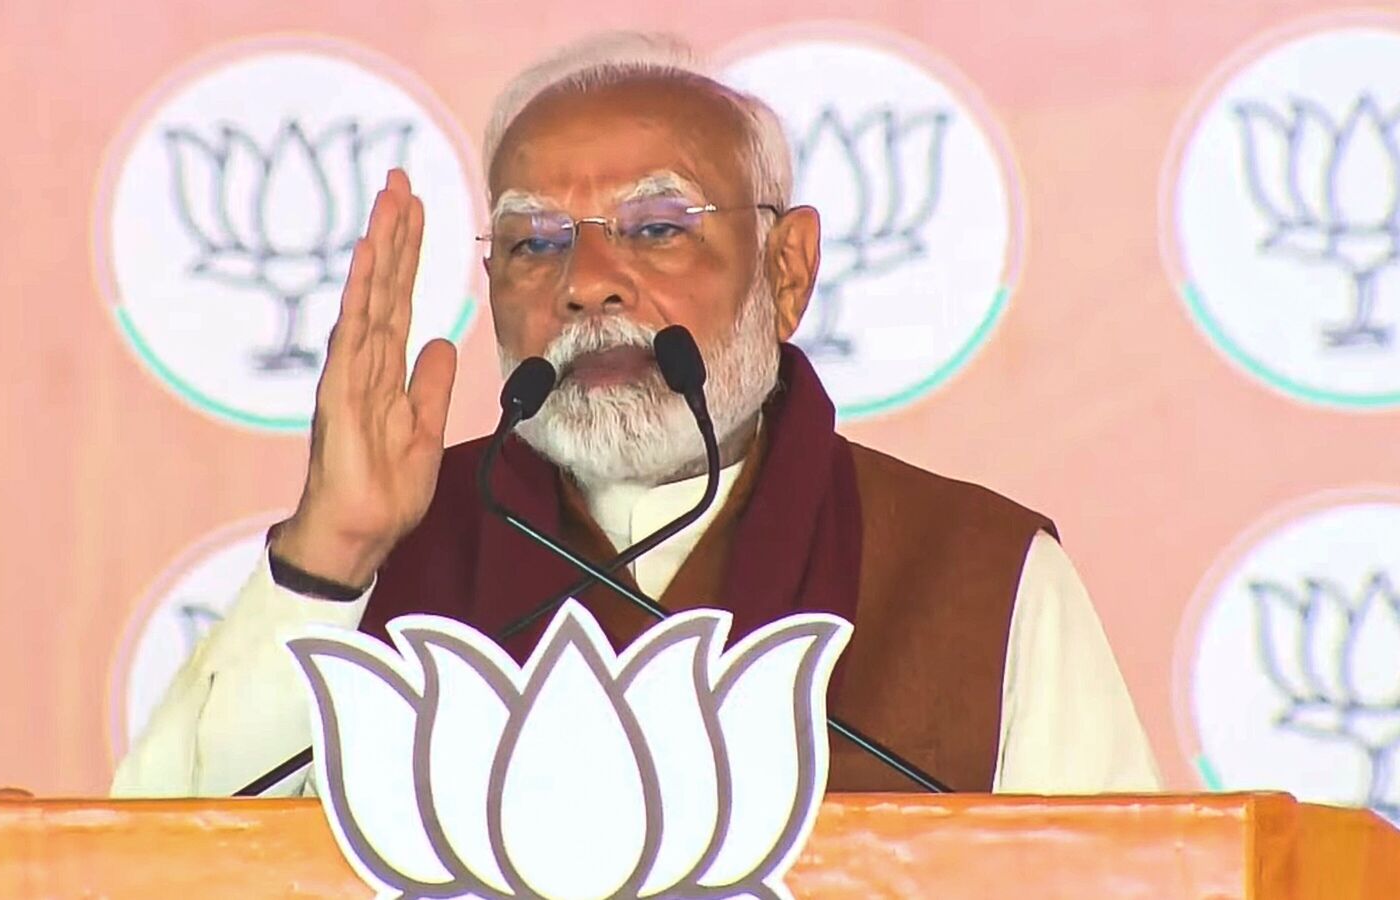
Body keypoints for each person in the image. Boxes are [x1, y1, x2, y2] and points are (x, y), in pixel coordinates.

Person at [112, 32, 1161, 798]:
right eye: (533, 242)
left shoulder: (976, 568)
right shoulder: (395, 558)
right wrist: (327, 555)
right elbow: (162, 861)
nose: (588, 285)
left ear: (786, 270)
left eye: (656, 229)